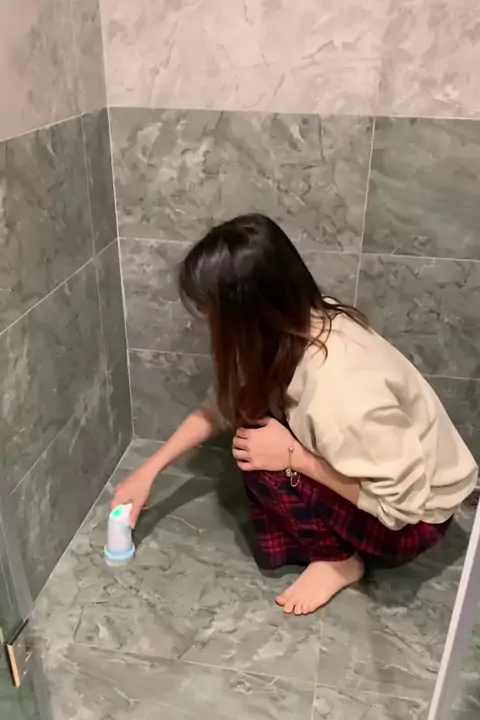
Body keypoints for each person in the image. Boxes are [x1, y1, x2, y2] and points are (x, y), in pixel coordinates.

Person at [112, 214, 478, 616]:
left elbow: (399, 509)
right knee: (256, 422)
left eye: (209, 311)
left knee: (260, 455)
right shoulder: (299, 322)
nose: (205, 322)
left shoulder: (337, 389)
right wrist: (150, 469)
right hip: (394, 477)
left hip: (414, 522)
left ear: (244, 313)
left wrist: (292, 456)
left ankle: (338, 562)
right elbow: (224, 402)